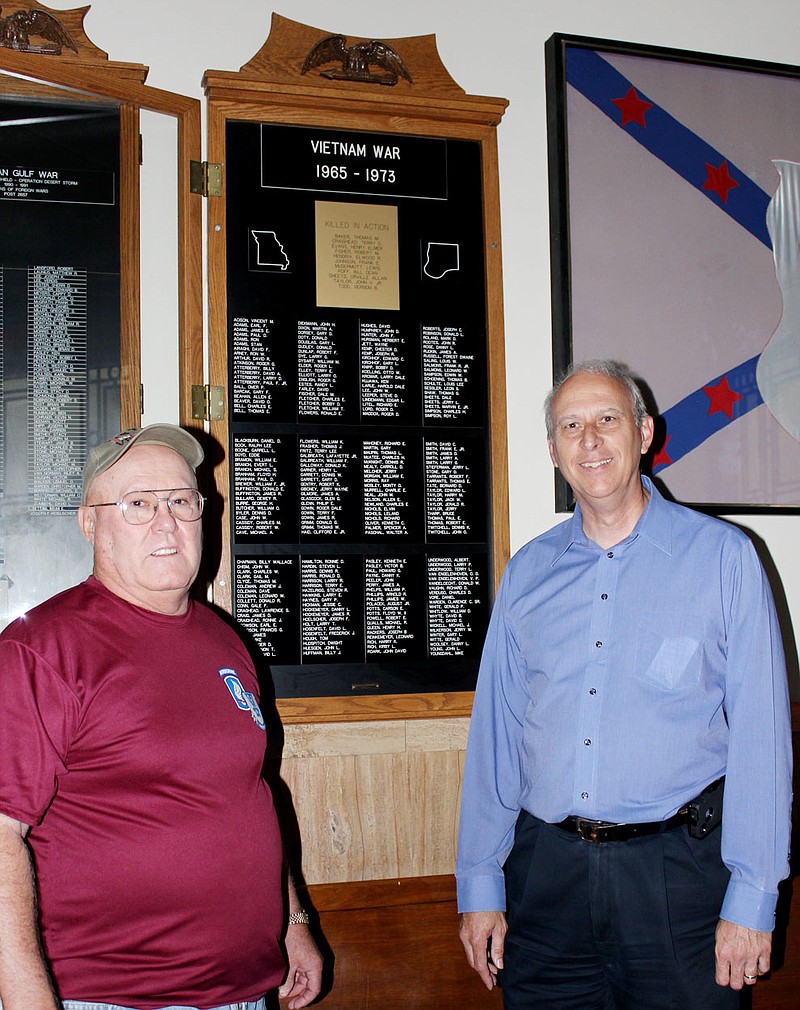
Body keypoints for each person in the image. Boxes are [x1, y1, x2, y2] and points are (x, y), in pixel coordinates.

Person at [456, 360, 793, 1009]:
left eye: (607, 419)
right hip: (546, 882)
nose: (589, 440)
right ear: (553, 452)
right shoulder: (527, 573)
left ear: (643, 432)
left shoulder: (725, 558)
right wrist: (479, 885)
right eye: (570, 425)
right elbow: (496, 739)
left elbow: (762, 742)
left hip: (678, 882)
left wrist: (753, 899)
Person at [0, 424, 323, 1010]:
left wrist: (292, 921)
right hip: (112, 998)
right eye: (138, 505)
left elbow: (246, 792)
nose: (166, 522)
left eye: (181, 501)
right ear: (90, 524)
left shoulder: (224, 640)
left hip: (246, 993)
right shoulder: (42, 648)